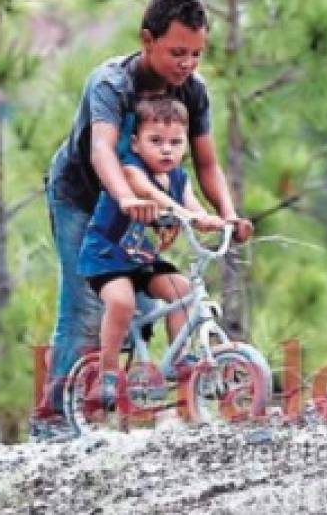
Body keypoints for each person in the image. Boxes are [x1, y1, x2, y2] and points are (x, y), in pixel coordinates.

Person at [31, 0, 253, 441]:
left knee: (158, 300)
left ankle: (131, 394)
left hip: (148, 200)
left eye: (195, 54)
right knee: (86, 307)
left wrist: (228, 214)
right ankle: (52, 420)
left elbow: (206, 163)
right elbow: (102, 151)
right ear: (147, 40)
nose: (186, 64)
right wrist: (129, 201)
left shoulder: (192, 91)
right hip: (84, 198)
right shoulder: (112, 83)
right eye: (176, 52)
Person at [78, 96, 225, 410]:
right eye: (155, 141)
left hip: (137, 254)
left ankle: (179, 359)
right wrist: (181, 212)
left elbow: (193, 206)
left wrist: (214, 220)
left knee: (182, 290)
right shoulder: (131, 170)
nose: (166, 149)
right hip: (106, 253)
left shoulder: (178, 178)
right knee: (122, 301)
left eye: (175, 142)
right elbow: (148, 193)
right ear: (135, 143)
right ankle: (107, 371)